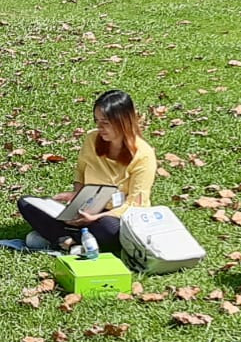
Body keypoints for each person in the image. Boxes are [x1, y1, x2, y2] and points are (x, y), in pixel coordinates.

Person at [16, 90, 156, 255]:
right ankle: (72, 242)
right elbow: (81, 171)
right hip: (86, 206)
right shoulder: (92, 139)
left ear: (123, 121)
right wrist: (76, 195)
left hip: (114, 215)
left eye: (105, 123)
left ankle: (60, 237)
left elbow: (135, 205)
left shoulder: (143, 155)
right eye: (97, 121)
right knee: (27, 203)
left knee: (109, 229)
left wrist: (94, 218)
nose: (100, 128)